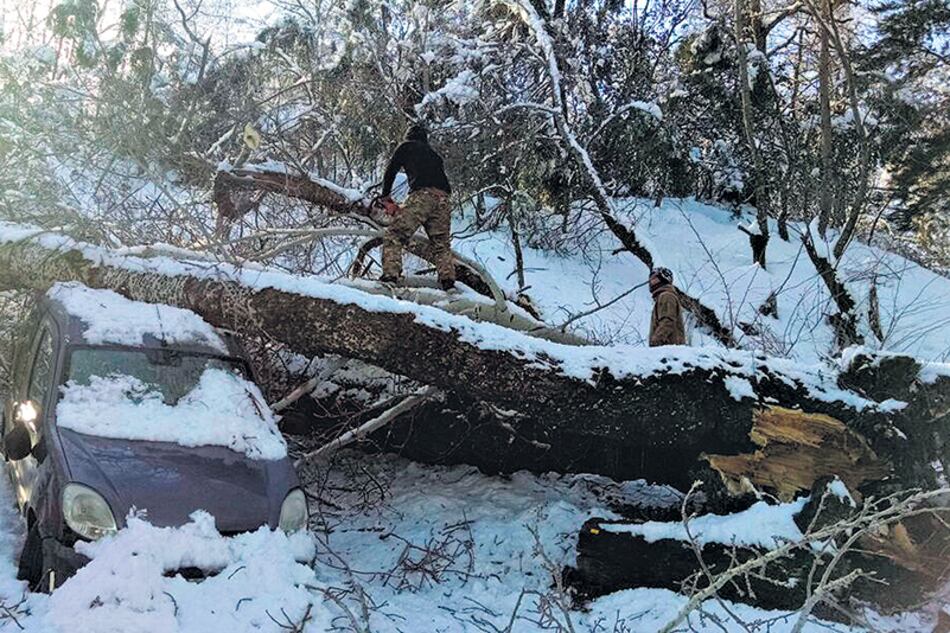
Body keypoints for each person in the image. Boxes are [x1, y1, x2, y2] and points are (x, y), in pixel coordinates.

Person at [378, 124, 455, 290]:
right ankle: (448, 282)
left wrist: (385, 197)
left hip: (423, 196)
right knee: (441, 244)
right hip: (444, 199)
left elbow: (390, 170)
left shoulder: (407, 146)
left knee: (395, 234)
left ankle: (390, 277)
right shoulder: (434, 156)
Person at [648, 267, 686, 346]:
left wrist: (655, 341)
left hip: (668, 350)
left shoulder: (666, 296)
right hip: (669, 349)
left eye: (654, 278)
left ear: (663, 279)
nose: (651, 282)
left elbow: (668, 321)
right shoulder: (664, 296)